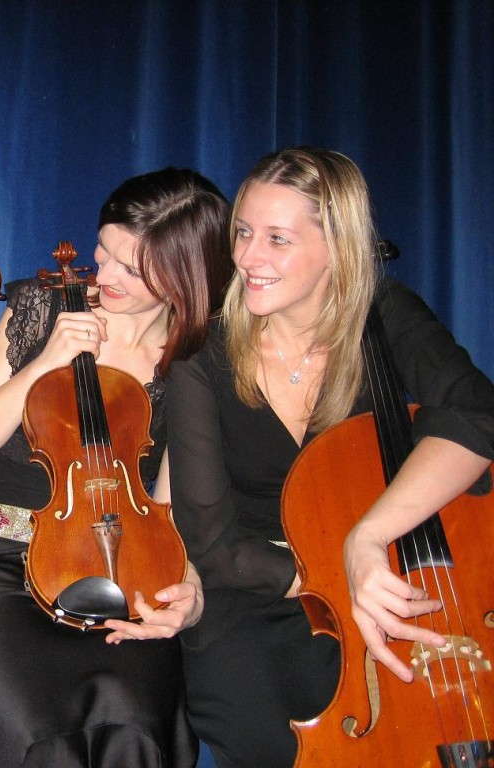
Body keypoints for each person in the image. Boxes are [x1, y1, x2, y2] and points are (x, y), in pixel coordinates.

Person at [166, 147, 494, 767]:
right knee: (271, 738)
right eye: (243, 232)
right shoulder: (202, 358)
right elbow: (210, 542)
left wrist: (369, 536)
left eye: (277, 239)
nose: (247, 258)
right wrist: (332, 579)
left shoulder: (386, 316)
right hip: (257, 592)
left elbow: (477, 415)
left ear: (338, 247)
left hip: (389, 569)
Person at [0, 168, 233, 767]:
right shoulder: (40, 304)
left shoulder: (198, 353)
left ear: (187, 272)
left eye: (133, 269)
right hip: (7, 562)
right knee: (37, 726)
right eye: (104, 253)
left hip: (126, 564)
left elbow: (174, 502)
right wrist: (45, 361)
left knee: (136, 715)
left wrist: (188, 588)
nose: (104, 277)